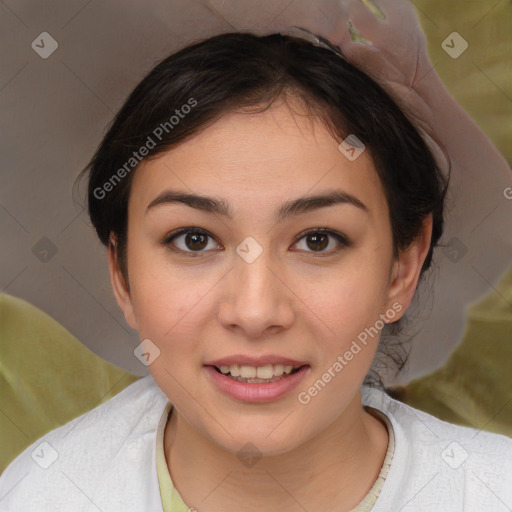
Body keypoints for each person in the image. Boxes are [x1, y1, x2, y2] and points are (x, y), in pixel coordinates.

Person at [0, 29, 511, 512]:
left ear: (402, 267)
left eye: (318, 240)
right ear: (122, 274)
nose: (255, 311)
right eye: (194, 240)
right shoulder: (42, 494)